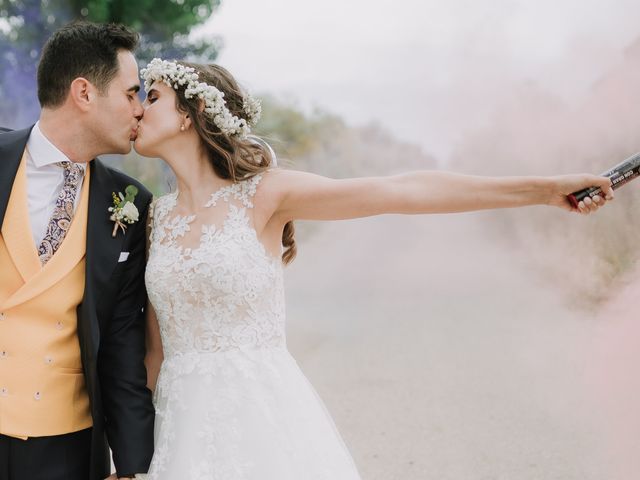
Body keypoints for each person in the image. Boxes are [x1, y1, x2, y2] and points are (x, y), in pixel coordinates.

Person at [137, 59, 612, 479]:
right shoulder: (154, 218)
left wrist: (545, 190)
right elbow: (153, 351)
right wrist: (130, 452)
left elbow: (402, 189)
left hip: (260, 418)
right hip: (179, 425)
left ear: (189, 114)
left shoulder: (265, 194)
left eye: (151, 97)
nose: (138, 107)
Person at [0, 22, 154, 480]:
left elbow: (123, 346)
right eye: (130, 94)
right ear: (84, 93)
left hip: (64, 447)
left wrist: (131, 466)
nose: (140, 110)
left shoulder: (131, 203)